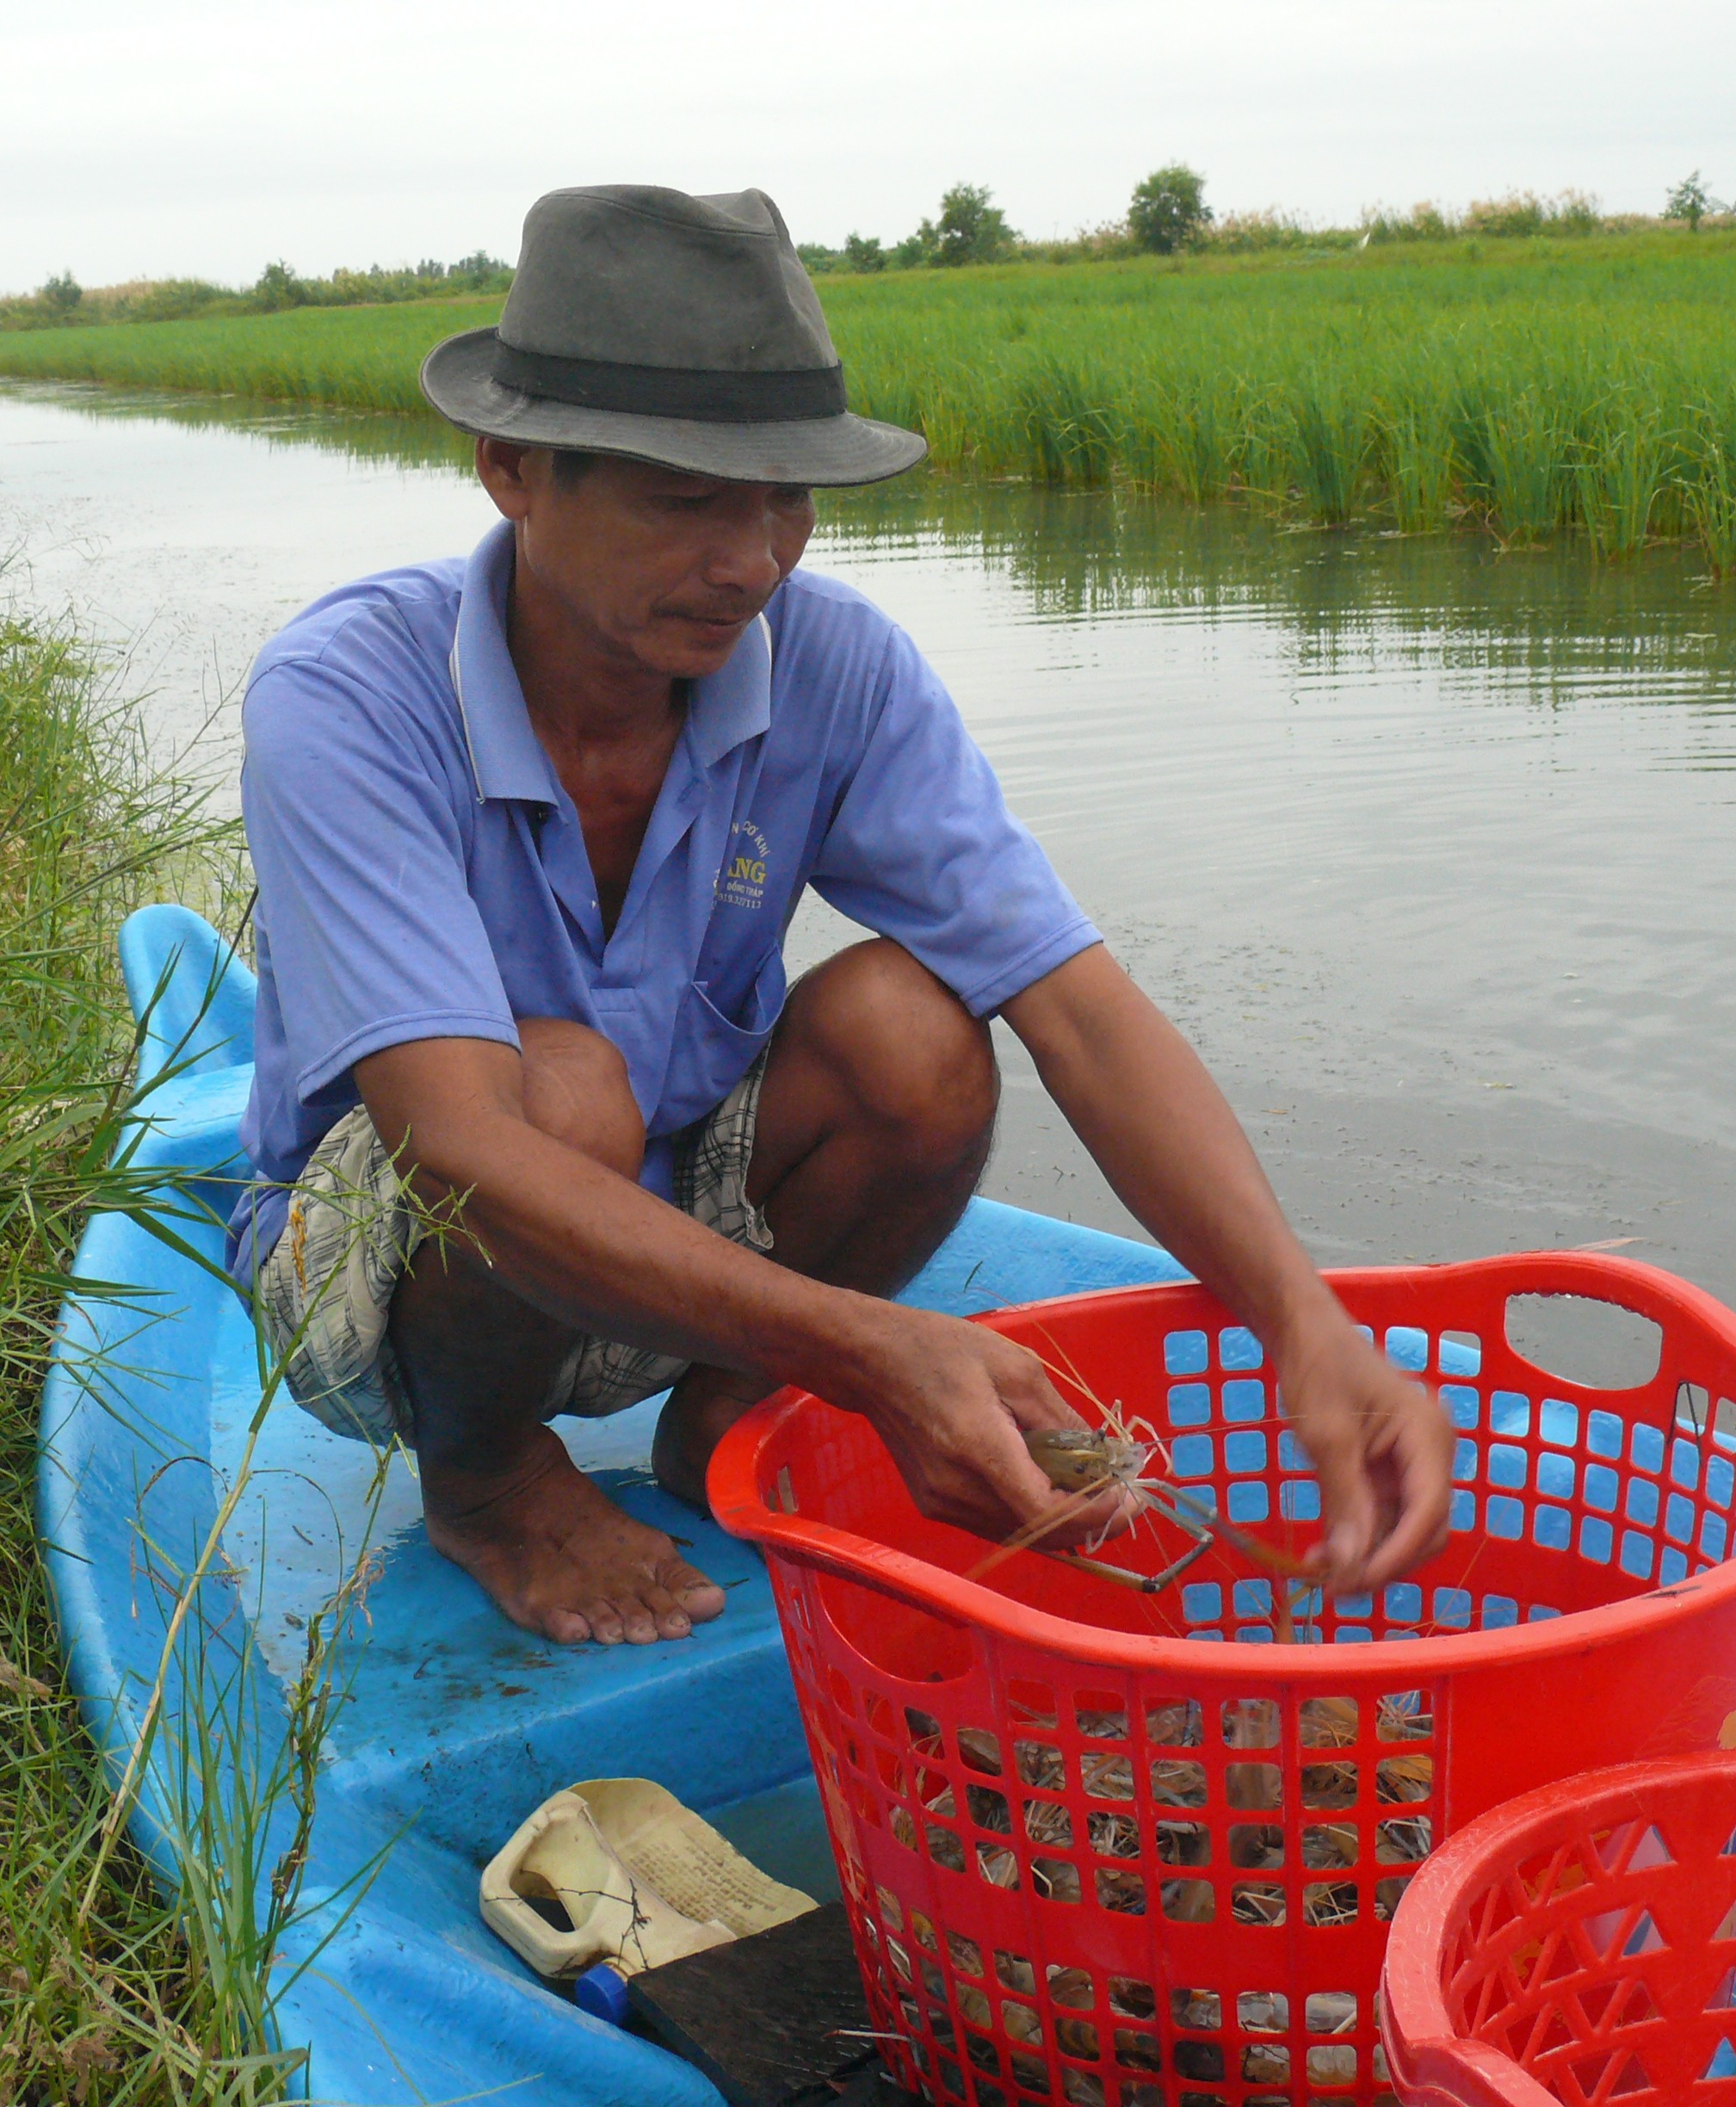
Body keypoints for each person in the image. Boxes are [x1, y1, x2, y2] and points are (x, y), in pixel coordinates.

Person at [232, 183, 1450, 1647]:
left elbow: (1074, 1003)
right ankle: (489, 1483)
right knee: (555, 1090)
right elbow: (459, 1146)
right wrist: (877, 1353)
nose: (751, 561)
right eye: (687, 498)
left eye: (786, 499)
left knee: (915, 1028)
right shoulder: (351, 695)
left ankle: (730, 1410)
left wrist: (1299, 1319)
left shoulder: (833, 668)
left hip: (680, 1220)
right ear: (512, 467)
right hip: (400, 1280)